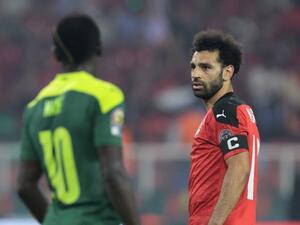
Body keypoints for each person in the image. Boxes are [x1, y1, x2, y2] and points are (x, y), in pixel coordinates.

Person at [16, 14, 140, 225]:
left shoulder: (34, 107)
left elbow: (24, 185)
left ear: (55, 54)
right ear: (99, 49)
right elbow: (113, 173)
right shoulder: (105, 96)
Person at [188, 30, 260, 225]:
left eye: (206, 67)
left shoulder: (225, 111)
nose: (196, 74)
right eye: (193, 67)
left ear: (227, 72)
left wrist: (214, 223)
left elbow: (239, 167)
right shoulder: (237, 111)